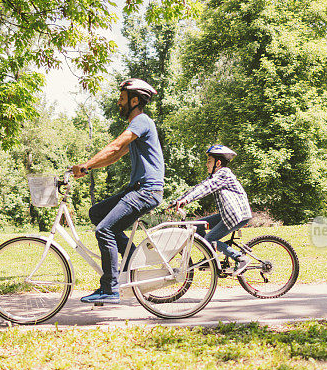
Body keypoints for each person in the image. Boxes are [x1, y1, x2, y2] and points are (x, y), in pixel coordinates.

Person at [72, 78, 164, 304]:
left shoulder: (141, 121)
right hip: (139, 189)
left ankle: (110, 288)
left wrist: (87, 165)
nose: (118, 103)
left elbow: (114, 146)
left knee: (104, 230)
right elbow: (115, 154)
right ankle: (132, 260)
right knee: (96, 213)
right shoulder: (137, 127)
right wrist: (89, 167)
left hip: (147, 191)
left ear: (134, 101)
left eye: (121, 99)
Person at [173, 144, 252, 275]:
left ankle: (240, 258)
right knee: (196, 226)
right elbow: (199, 187)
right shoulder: (216, 176)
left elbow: (206, 189)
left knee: (208, 239)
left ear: (218, 162)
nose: (206, 164)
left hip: (237, 215)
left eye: (209, 161)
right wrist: (179, 200)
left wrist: (186, 201)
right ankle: (209, 255)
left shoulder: (224, 173)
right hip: (226, 215)